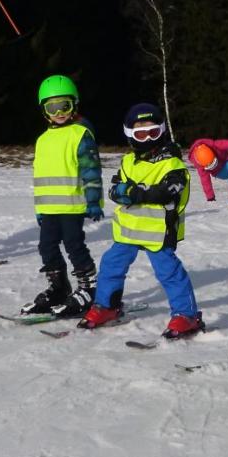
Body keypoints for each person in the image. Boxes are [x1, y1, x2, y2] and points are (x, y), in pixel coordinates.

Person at [79, 103, 203, 338]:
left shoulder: (172, 163)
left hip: (158, 232)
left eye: (152, 132)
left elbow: (167, 191)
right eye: (140, 133)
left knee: (169, 273)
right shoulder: (127, 162)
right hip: (128, 231)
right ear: (130, 135)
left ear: (162, 131)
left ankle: (186, 315)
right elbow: (115, 191)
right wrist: (132, 192)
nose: (147, 139)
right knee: (110, 266)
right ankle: (107, 306)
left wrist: (136, 192)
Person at [23, 74, 103, 317]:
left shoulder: (80, 134)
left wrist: (93, 200)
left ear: (74, 105)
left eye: (64, 106)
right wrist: (39, 208)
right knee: (46, 247)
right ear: (44, 110)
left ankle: (89, 289)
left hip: (73, 205)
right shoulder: (42, 140)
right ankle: (58, 287)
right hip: (49, 207)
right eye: (52, 107)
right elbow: (41, 178)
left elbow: (91, 170)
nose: (59, 112)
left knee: (74, 245)